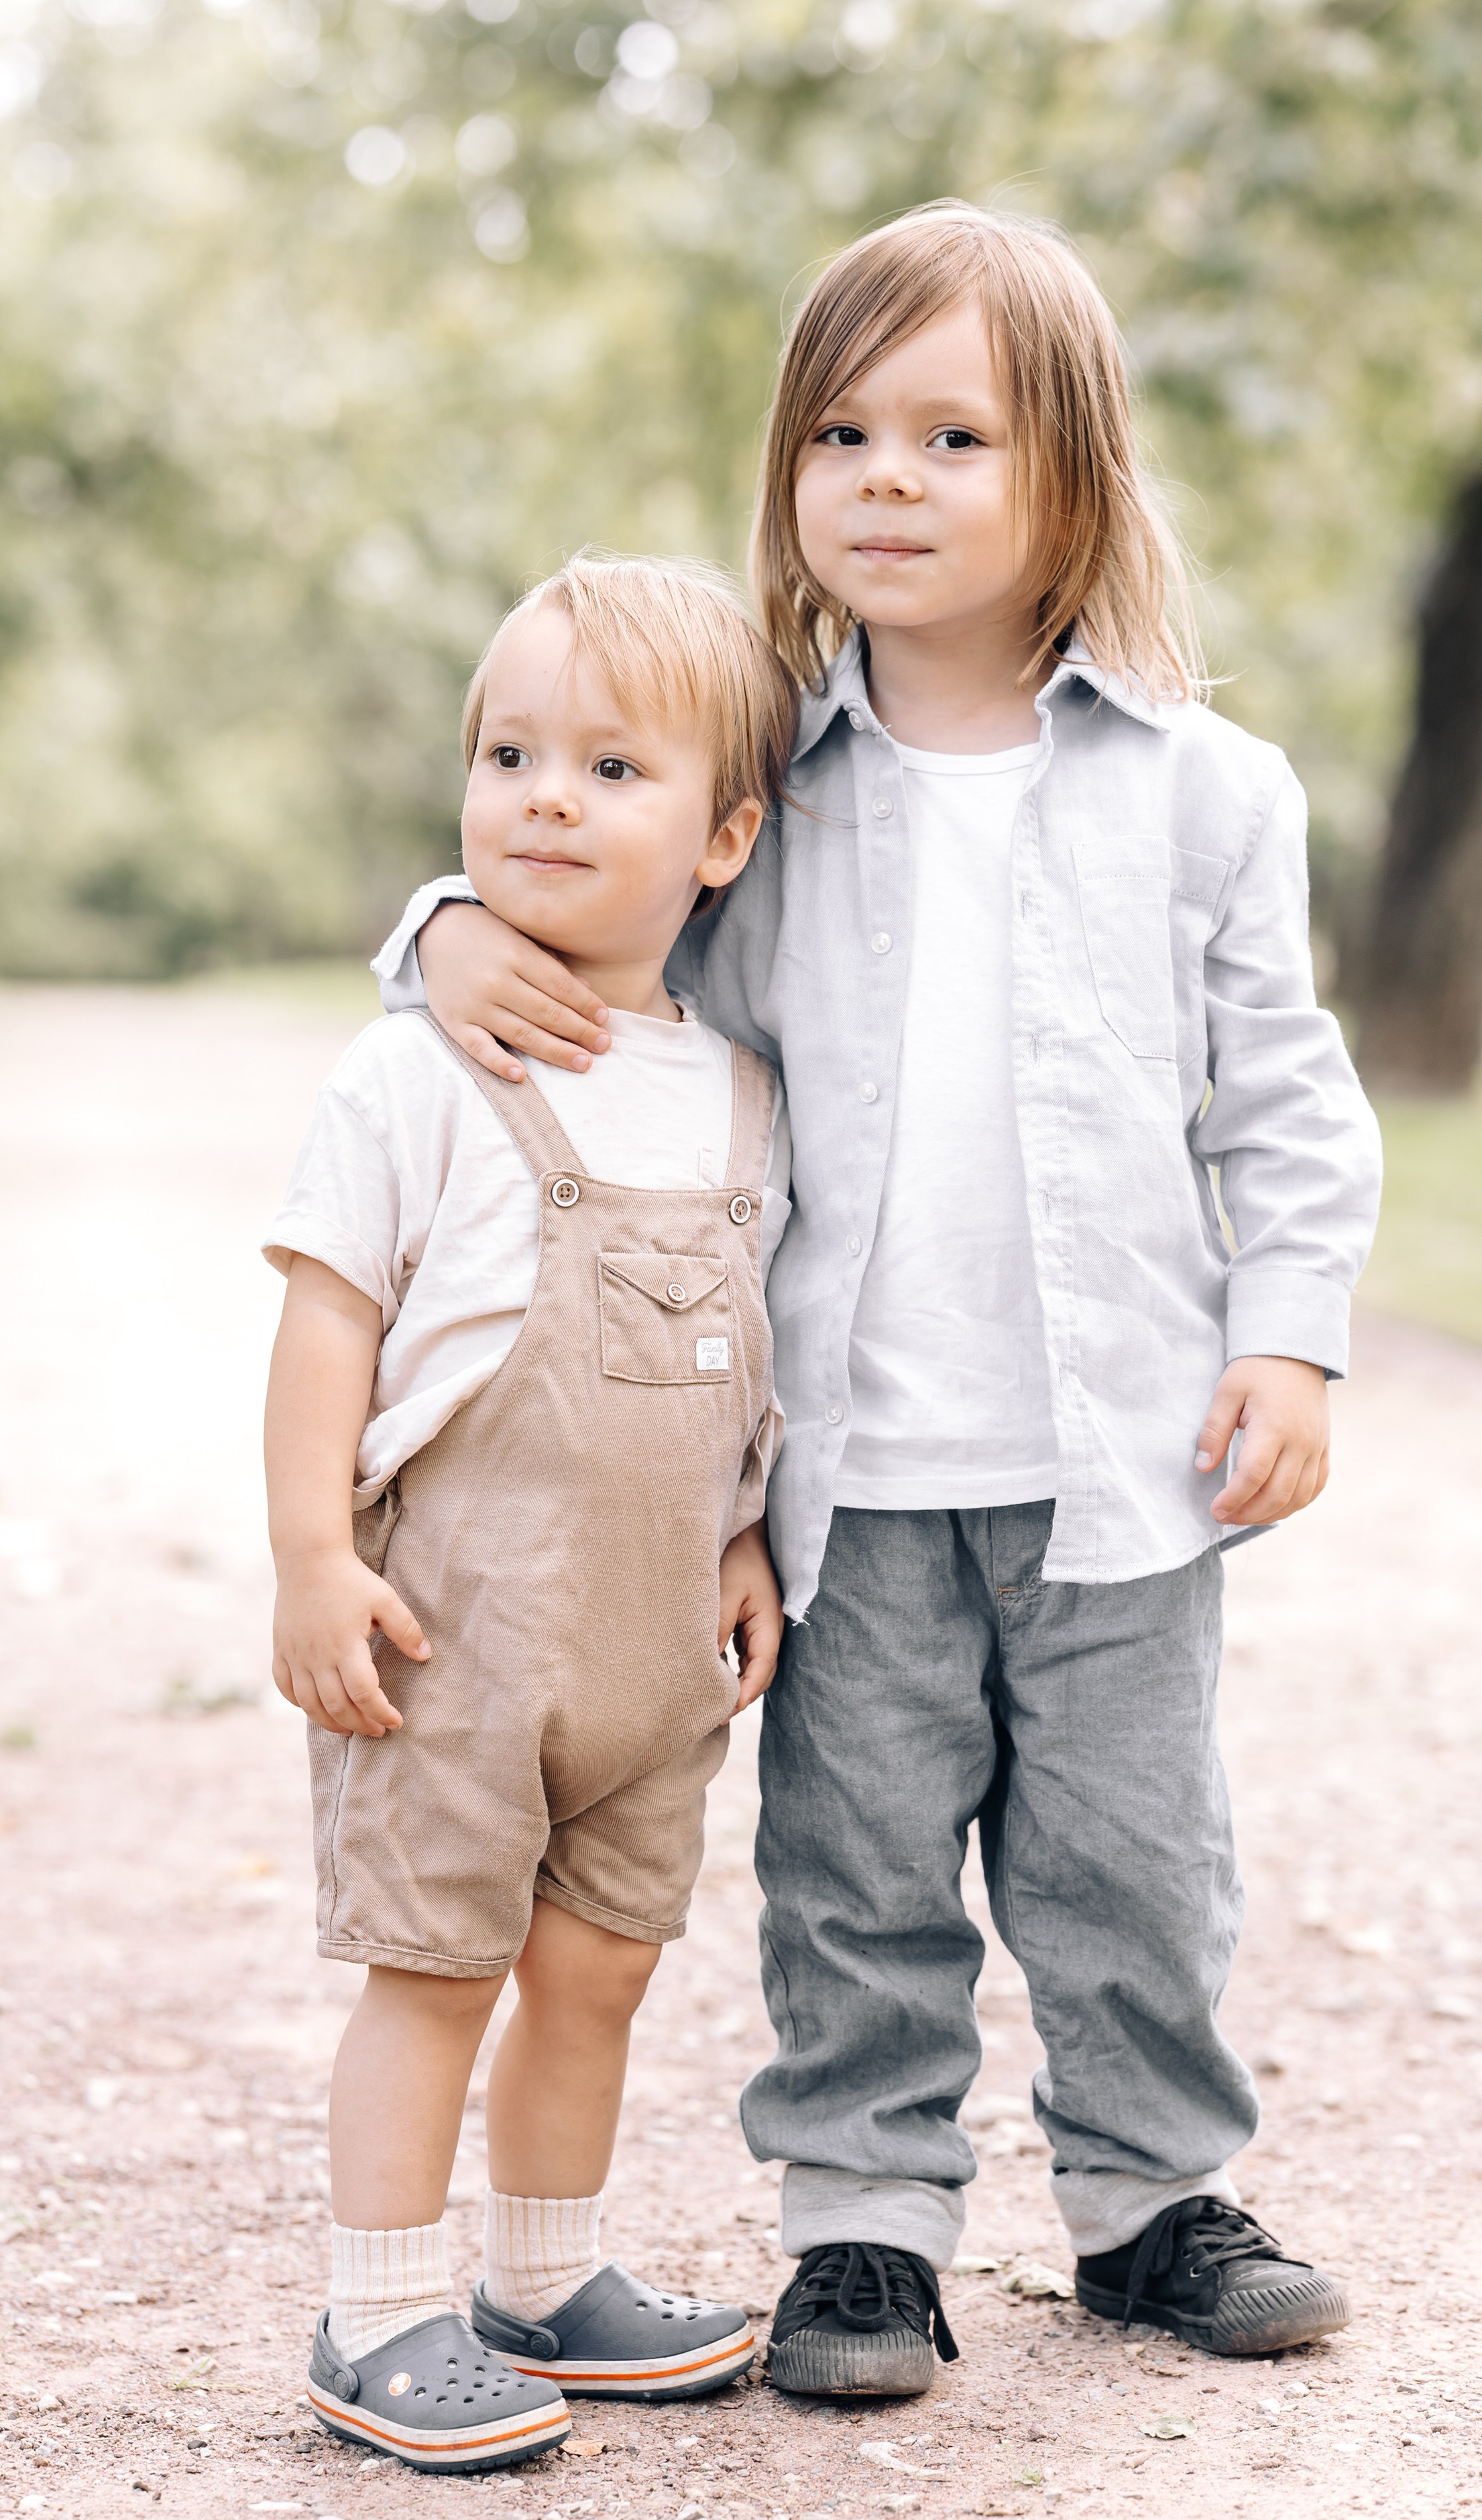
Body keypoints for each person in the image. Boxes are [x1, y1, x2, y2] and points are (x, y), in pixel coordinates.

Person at [375, 201, 1384, 2395]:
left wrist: (1289, 1330)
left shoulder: (1209, 795)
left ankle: (1147, 2201)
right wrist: (450, 924)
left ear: (1078, 480)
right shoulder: (768, 790)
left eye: (954, 435)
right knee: (853, 1877)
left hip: (1124, 1464)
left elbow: (1287, 1102)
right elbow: (586, 901)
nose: (890, 479)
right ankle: (861, 2221)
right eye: (844, 431)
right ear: (789, 472)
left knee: (1134, 1863)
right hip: (844, 1473)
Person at [263, 555, 799, 2470]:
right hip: (455, 1636)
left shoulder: (743, 1092)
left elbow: (737, 1359)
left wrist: (743, 1537)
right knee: (440, 1964)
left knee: (599, 1965)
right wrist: (314, 1556)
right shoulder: (415, 1063)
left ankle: (544, 2277)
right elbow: (330, 1316)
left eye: (609, 765)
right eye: (509, 752)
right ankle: (379, 2309)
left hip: (651, 1646)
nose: (546, 796)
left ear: (725, 834)